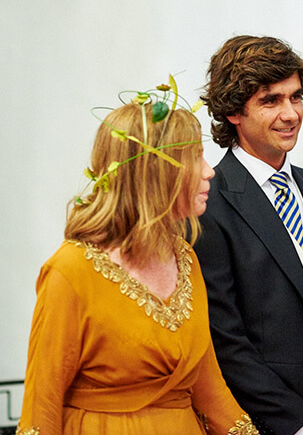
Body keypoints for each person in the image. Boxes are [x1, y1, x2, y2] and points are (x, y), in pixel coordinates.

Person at [17, 87, 256, 434]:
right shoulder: (69, 272)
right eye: (196, 158)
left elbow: (210, 388)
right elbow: (42, 406)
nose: (210, 172)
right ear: (154, 172)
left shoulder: (186, 258)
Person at [195, 35, 303, 435]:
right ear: (234, 113)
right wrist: (302, 426)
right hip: (267, 424)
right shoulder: (212, 203)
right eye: (271, 100)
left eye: (296, 97)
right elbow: (225, 340)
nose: (290, 113)